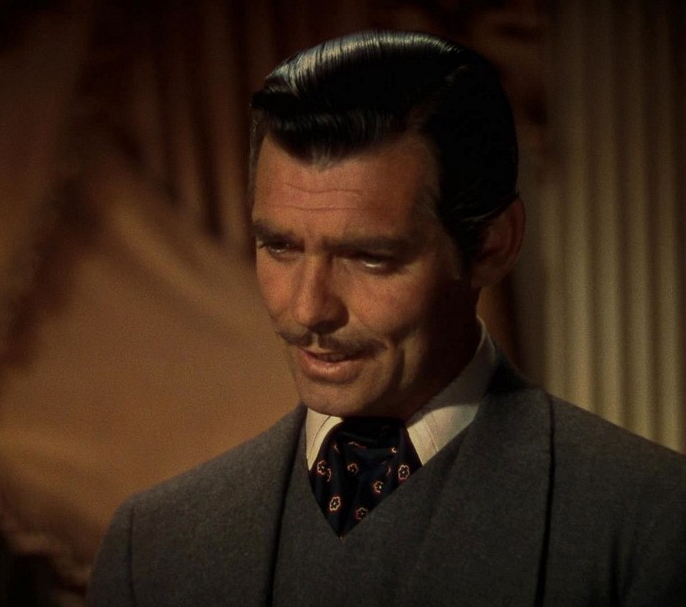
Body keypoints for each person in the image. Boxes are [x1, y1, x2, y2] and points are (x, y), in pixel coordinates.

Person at [87, 30, 686, 606]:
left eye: (369, 257)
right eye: (280, 247)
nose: (308, 310)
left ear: (492, 245)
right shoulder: (153, 548)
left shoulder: (650, 527)